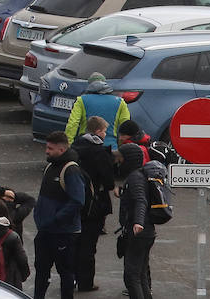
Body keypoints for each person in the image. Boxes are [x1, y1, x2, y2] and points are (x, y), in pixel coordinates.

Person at [33, 131, 85, 299]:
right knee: (41, 270)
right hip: (45, 231)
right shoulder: (50, 167)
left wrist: (55, 219)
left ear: (61, 150)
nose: (46, 151)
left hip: (64, 233)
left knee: (65, 272)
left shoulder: (71, 170)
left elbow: (77, 201)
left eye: (50, 148)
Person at [71, 115, 114, 293]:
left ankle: (70, 278)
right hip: (94, 206)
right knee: (89, 246)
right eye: (104, 131)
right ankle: (85, 282)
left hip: (75, 203)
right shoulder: (99, 152)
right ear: (97, 131)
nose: (105, 134)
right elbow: (109, 182)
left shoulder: (75, 148)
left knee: (74, 243)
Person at [116, 143, 155, 299]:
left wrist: (138, 222)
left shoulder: (135, 178)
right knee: (141, 274)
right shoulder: (139, 176)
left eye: (120, 159)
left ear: (128, 160)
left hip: (139, 232)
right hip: (146, 232)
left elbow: (140, 200)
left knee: (132, 276)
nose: (118, 162)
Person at [64, 73, 130, 148]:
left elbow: (73, 123)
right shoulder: (120, 102)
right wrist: (122, 145)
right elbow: (126, 126)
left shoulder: (82, 100)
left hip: (86, 146)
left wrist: (68, 143)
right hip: (110, 147)